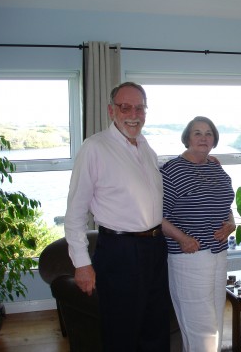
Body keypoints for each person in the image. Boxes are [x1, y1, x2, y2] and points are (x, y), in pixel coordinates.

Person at [64, 82, 169, 351]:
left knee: (156, 326)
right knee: (122, 331)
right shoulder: (95, 147)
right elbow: (75, 212)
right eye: (125, 107)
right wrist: (82, 264)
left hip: (156, 247)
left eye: (139, 107)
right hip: (121, 251)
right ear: (112, 111)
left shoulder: (146, 148)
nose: (133, 113)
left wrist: (201, 158)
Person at [161, 116, 235, 352]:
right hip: (189, 256)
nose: (203, 138)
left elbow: (225, 205)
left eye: (208, 133)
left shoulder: (214, 166)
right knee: (198, 325)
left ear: (214, 139)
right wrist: (182, 239)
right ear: (187, 138)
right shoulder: (172, 171)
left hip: (218, 253)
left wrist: (231, 223)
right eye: (197, 133)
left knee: (215, 319)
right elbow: (155, 216)